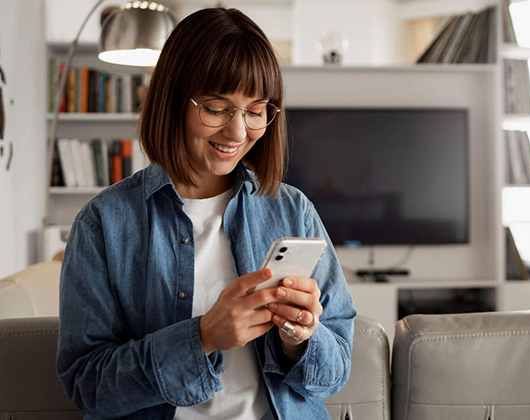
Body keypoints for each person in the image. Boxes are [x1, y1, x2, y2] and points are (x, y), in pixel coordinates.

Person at [57, 7, 356, 420]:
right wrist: (201, 338)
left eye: (256, 111)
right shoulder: (105, 224)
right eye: (216, 108)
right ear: (173, 100)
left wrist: (300, 339)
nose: (238, 133)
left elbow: (337, 371)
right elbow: (87, 385)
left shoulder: (293, 210)